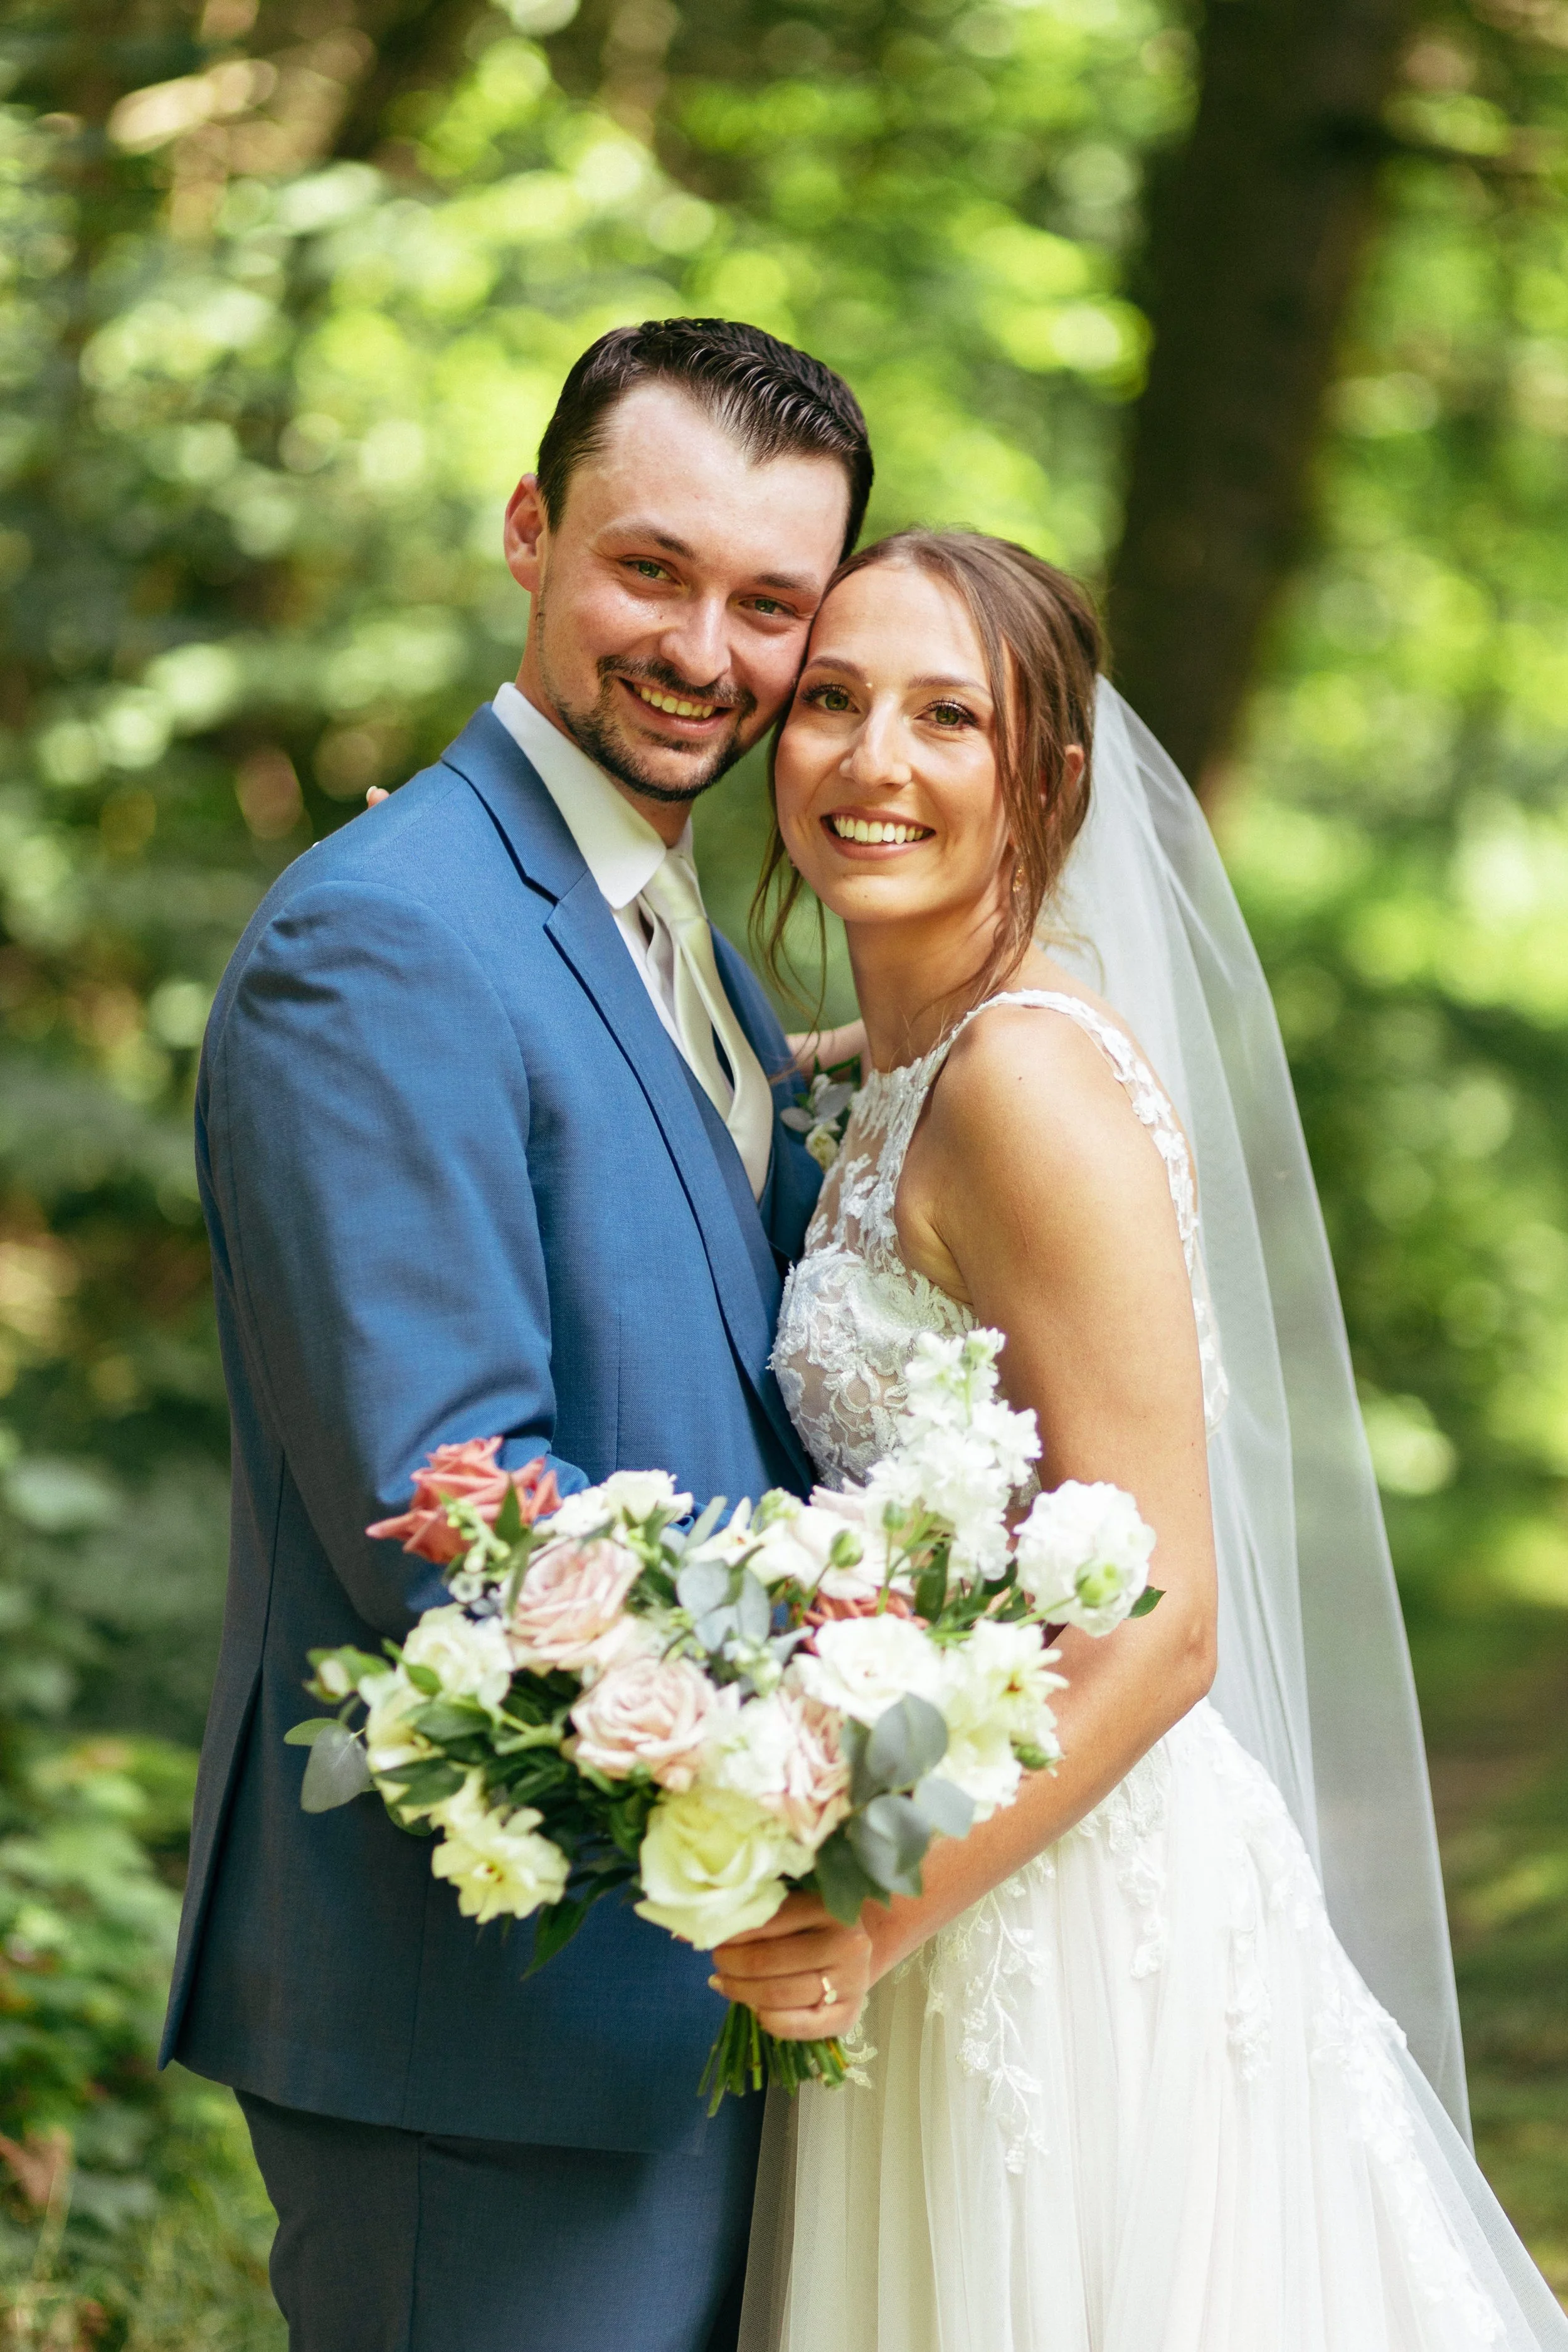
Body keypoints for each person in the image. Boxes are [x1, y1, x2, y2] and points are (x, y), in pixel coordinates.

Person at [711, 528, 1568, 2350]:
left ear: (1053, 775)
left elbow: (1165, 1617)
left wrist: (870, 1921)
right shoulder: (904, 1068)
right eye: (835, 702)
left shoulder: (1020, 1081)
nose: (875, 760)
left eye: (951, 715)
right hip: (950, 1857)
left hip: (1050, 1902)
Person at [160, 318, 871, 2352]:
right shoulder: (385, 936)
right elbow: (447, 1500)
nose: (702, 650)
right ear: (530, 530)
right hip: (486, 2016)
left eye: (767, 603)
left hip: (681, 1995)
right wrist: (843, 1747)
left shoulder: (687, 942)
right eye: (649, 569)